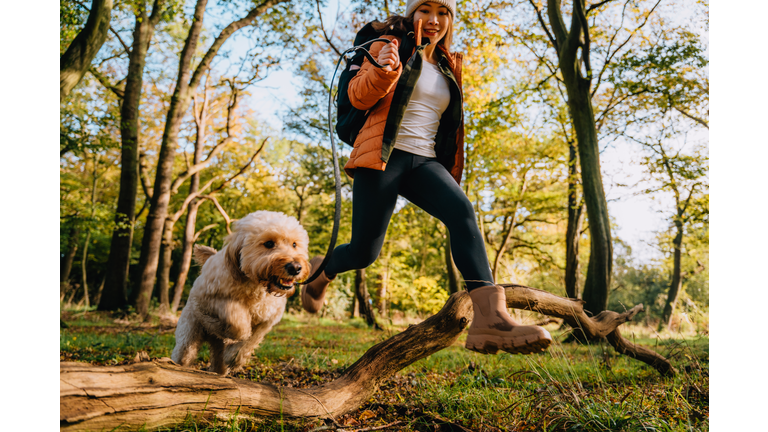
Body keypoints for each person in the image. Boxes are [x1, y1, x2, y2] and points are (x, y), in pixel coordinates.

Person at [302, 0, 551, 355]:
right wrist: (384, 71)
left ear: (450, 19)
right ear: (412, 13)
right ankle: (322, 272)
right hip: (384, 155)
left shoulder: (448, 65)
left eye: (443, 12)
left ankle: (490, 321)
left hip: (425, 161)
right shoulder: (387, 45)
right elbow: (357, 97)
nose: (434, 20)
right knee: (364, 251)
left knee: (462, 212)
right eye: (425, 10)